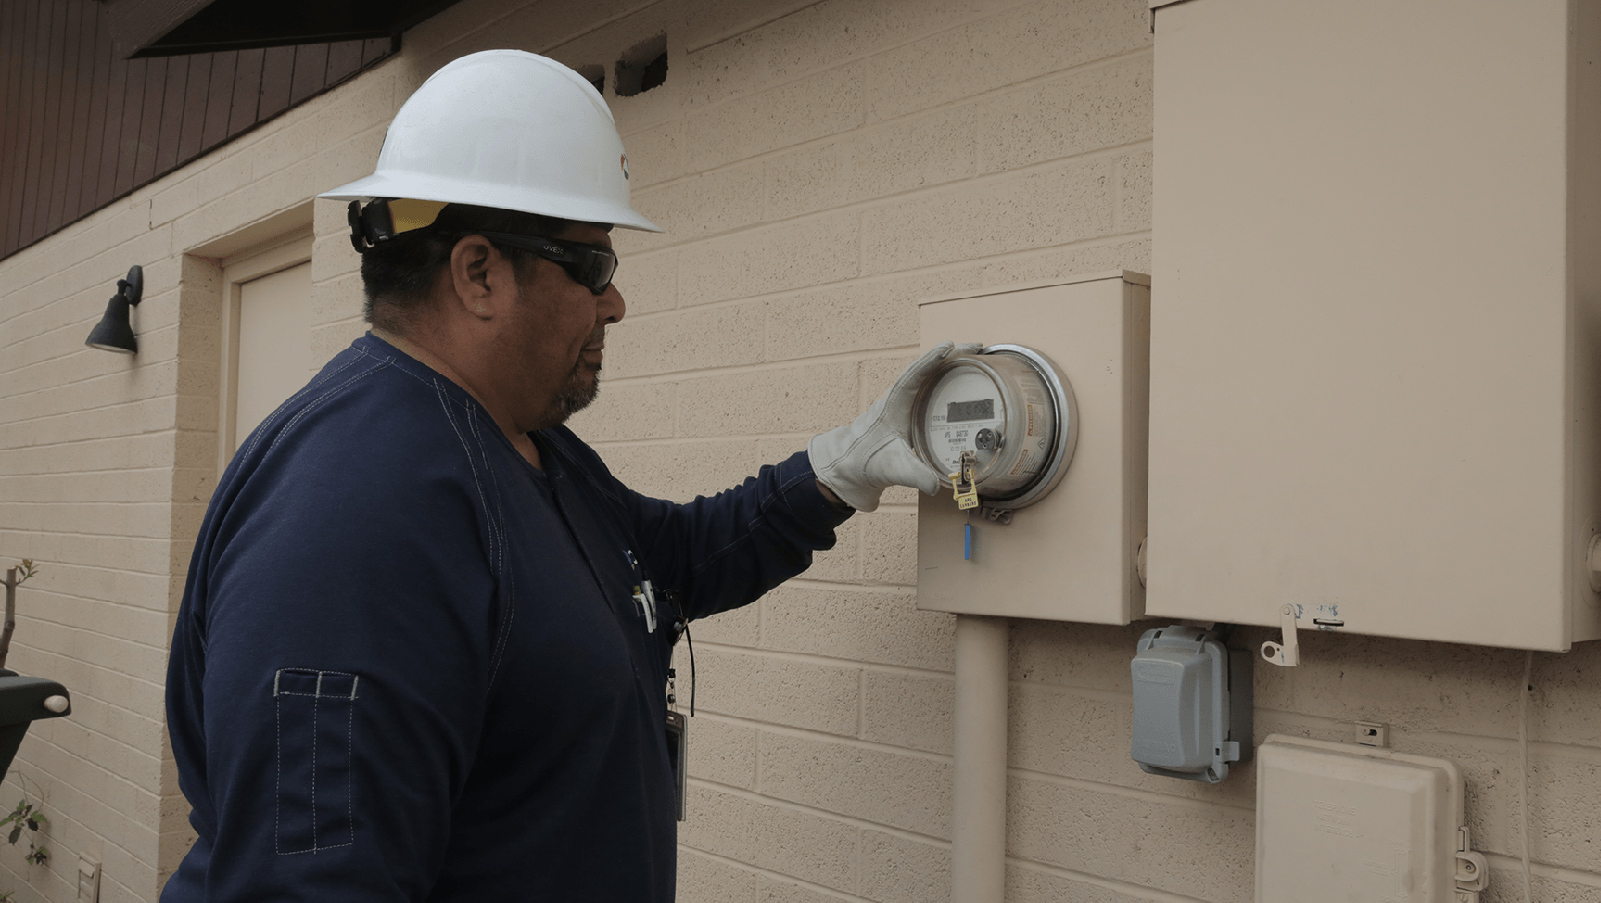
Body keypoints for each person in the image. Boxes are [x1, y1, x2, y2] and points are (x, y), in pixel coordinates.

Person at [162, 50, 966, 901]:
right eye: (593, 265)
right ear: (479, 273)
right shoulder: (356, 508)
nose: (614, 302)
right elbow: (312, 883)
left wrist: (836, 470)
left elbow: (669, 559)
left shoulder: (521, 445)